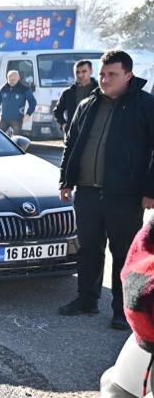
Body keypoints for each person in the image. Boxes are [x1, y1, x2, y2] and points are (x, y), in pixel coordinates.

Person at [58, 49, 154, 330]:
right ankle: (86, 299)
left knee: (124, 253)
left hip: (125, 195)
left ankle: (122, 311)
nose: (104, 79)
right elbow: (71, 144)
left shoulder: (146, 105)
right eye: (102, 73)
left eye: (112, 74)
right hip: (87, 192)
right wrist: (66, 179)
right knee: (88, 248)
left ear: (128, 75)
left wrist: (151, 190)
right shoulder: (87, 104)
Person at [53, 60, 98, 137]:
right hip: (72, 136)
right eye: (77, 72)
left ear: (91, 71)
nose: (80, 75)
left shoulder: (100, 91)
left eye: (84, 71)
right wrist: (64, 125)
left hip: (94, 134)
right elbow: (57, 111)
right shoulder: (68, 93)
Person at [0, 70, 37, 137]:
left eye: (13, 79)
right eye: (9, 79)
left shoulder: (24, 89)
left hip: (17, 119)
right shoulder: (3, 88)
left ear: (18, 78)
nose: (11, 81)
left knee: (16, 140)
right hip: (3, 119)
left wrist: (28, 114)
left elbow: (33, 102)